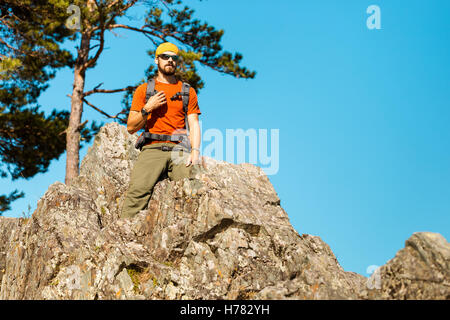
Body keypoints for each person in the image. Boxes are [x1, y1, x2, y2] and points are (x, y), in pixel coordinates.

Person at [121, 42, 202, 219]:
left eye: (174, 57)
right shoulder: (144, 90)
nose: (170, 60)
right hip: (152, 148)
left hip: (179, 150)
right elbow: (131, 127)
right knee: (137, 193)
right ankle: (124, 238)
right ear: (156, 60)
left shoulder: (187, 91)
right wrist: (148, 108)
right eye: (165, 57)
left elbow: (194, 123)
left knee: (194, 191)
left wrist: (195, 151)